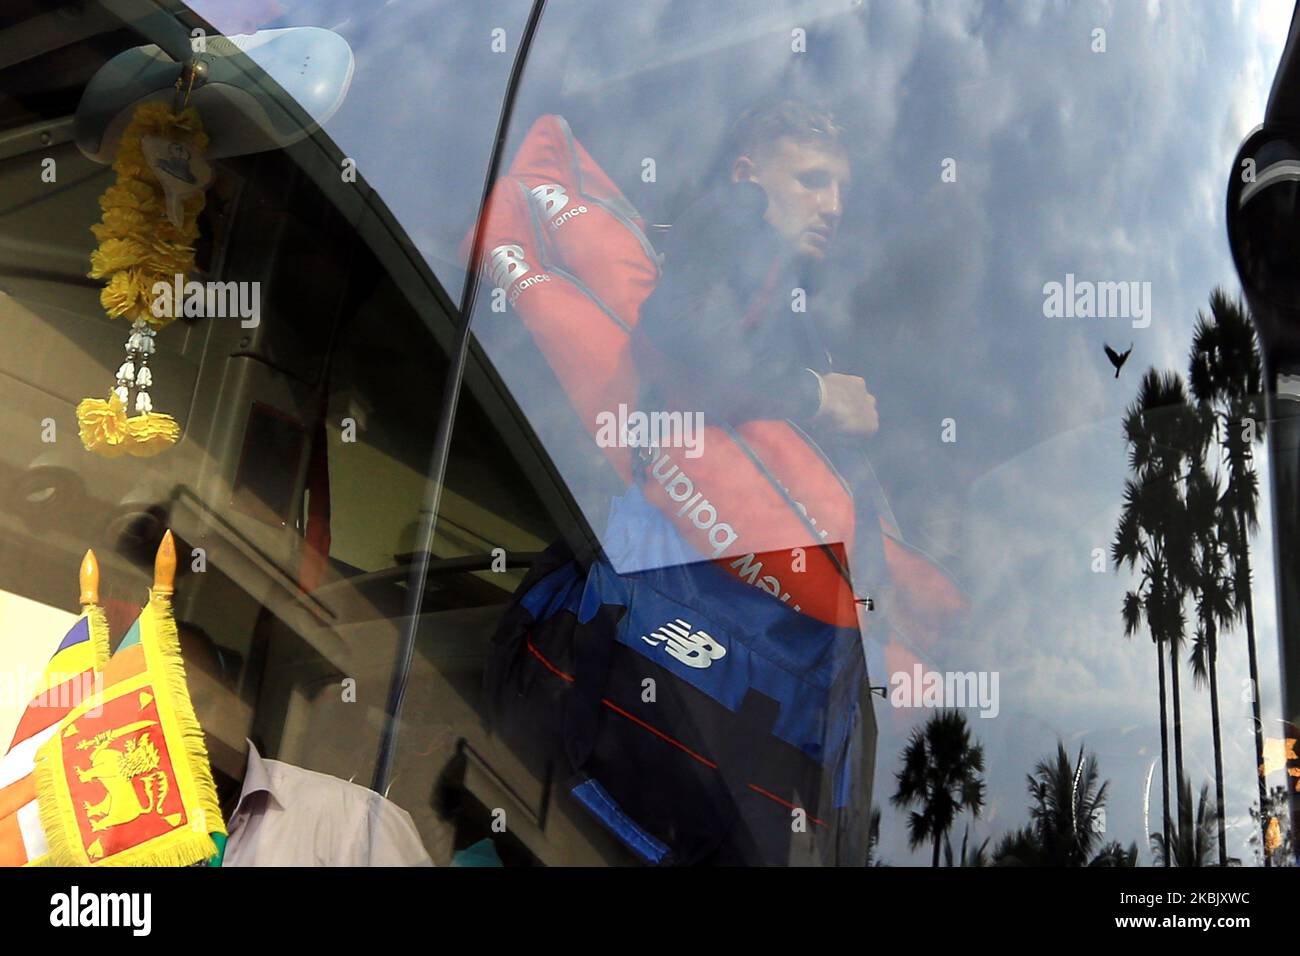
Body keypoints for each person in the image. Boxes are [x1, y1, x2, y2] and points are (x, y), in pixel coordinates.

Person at [632, 98, 879, 444]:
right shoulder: (729, 218)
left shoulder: (785, 283)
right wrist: (818, 396)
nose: (834, 207)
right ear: (746, 177)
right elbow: (675, 327)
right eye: (812, 180)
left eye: (842, 191)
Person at [178, 622, 432, 866]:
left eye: (197, 705)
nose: (183, 733)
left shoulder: (354, 826)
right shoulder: (140, 843)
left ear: (232, 697)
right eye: (152, 721)